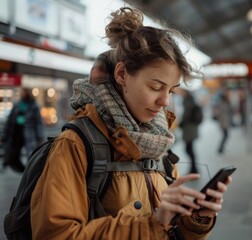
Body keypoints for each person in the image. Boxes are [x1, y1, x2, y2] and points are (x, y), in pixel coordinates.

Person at [30, 7, 232, 240]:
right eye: (156, 87)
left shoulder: (157, 141)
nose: (165, 101)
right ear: (122, 74)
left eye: (171, 90)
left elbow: (169, 230)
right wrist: (153, 224)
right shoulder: (77, 143)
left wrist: (195, 218)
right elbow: (56, 235)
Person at [1, 88, 44, 173]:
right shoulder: (17, 104)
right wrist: (5, 134)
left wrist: (39, 136)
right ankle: (23, 170)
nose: (23, 94)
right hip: (16, 132)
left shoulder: (33, 105)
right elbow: (10, 120)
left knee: (30, 153)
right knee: (14, 152)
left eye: (25, 92)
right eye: (23, 92)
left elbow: (38, 122)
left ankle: (30, 170)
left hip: (29, 133)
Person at [179, 89, 200, 174]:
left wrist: (181, 123)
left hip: (189, 129)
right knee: (190, 149)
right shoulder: (191, 100)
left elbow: (186, 115)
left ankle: (194, 169)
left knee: (189, 149)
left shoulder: (188, 101)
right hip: (191, 128)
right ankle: (193, 168)